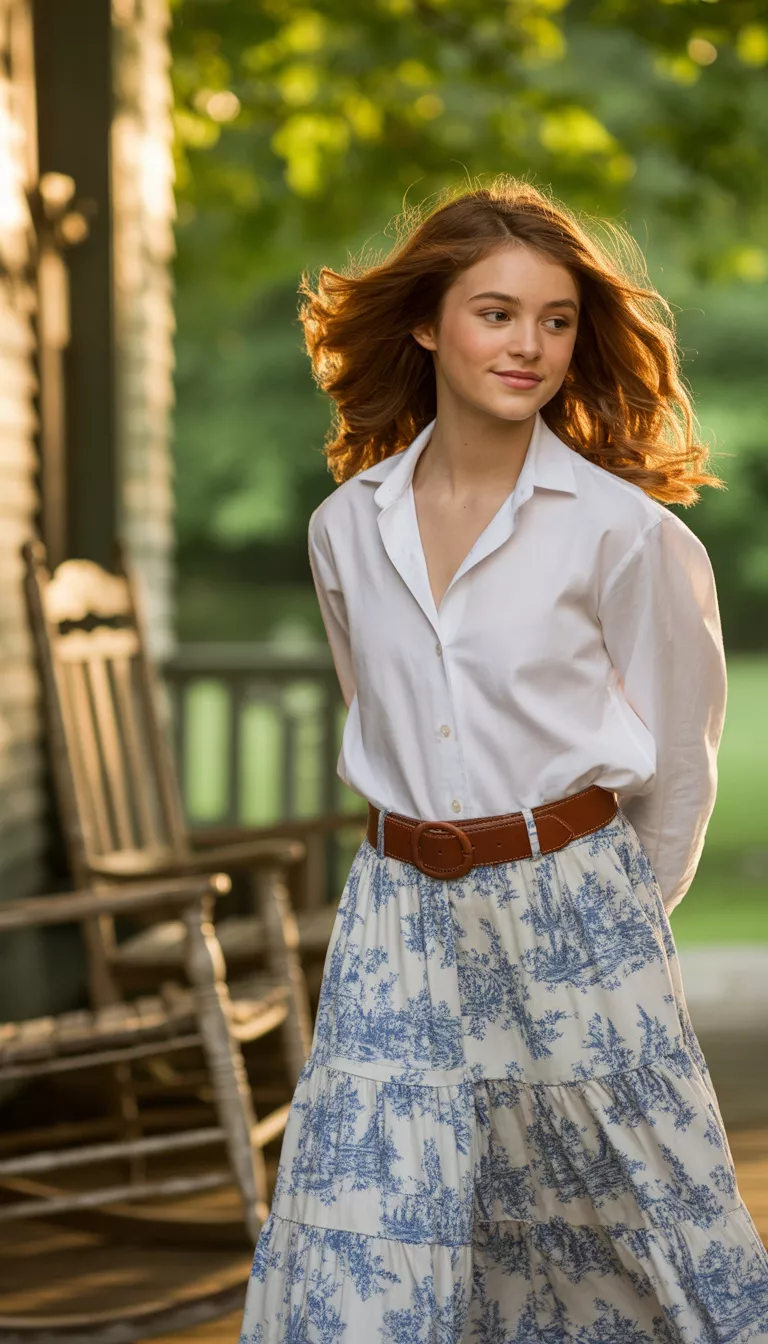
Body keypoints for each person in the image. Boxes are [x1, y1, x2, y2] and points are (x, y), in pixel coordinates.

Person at [238, 177, 768, 1341]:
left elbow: (679, 768)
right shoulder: (347, 529)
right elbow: (382, 714)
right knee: (364, 1227)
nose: (529, 344)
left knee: (635, 1231)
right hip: (395, 922)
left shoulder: (625, 536)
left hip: (576, 913)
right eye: (495, 312)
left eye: (557, 318)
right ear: (427, 322)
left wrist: (610, 919)